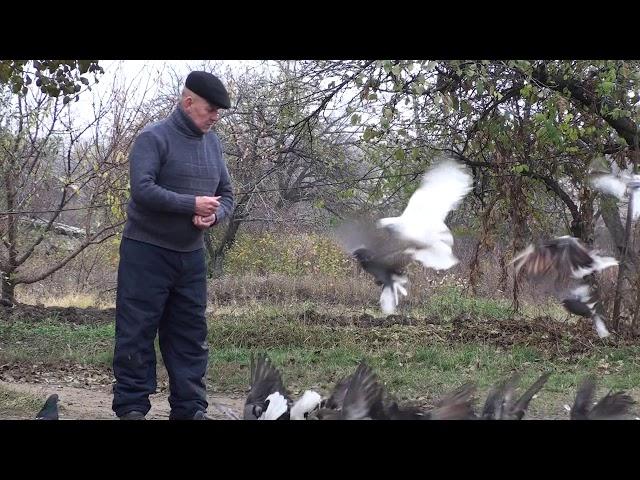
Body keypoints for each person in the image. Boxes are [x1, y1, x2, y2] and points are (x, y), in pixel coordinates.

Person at [112, 71, 234, 420]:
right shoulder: (153, 138)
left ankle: (190, 409)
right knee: (136, 332)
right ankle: (132, 408)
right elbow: (143, 189)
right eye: (211, 109)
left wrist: (214, 216)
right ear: (188, 102)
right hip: (145, 252)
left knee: (190, 336)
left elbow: (226, 195)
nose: (215, 117)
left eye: (219, 112)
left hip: (190, 257)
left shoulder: (213, 143)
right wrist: (191, 205)